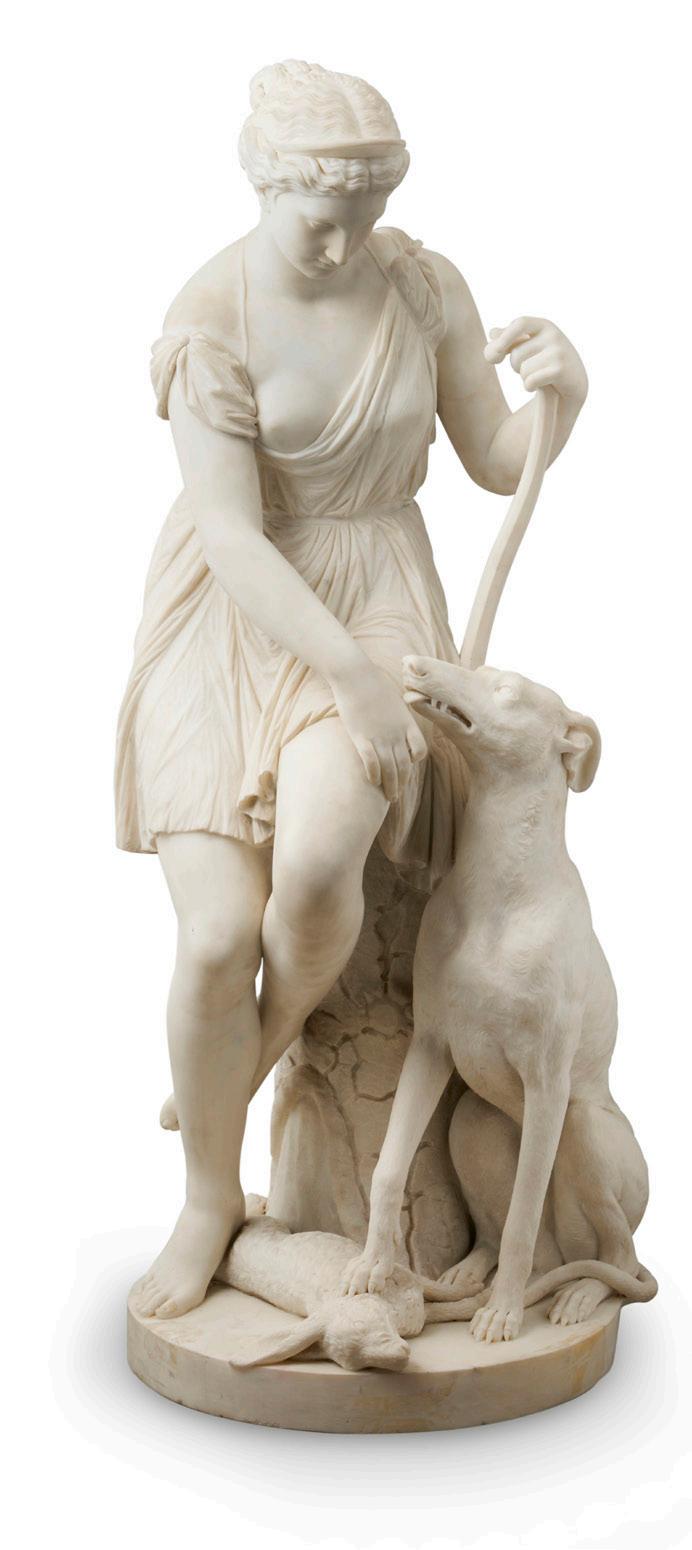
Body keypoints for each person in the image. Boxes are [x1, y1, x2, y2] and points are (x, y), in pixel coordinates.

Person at [116, 59, 588, 1320]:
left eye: (364, 214)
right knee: (216, 934)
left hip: (377, 595)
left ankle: (238, 1066)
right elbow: (231, 534)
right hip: (234, 616)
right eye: (318, 218)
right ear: (263, 184)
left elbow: (497, 459)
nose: (342, 242)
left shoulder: (421, 286)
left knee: (324, 866)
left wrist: (564, 392)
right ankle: (208, 1192)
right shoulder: (209, 319)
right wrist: (346, 680)